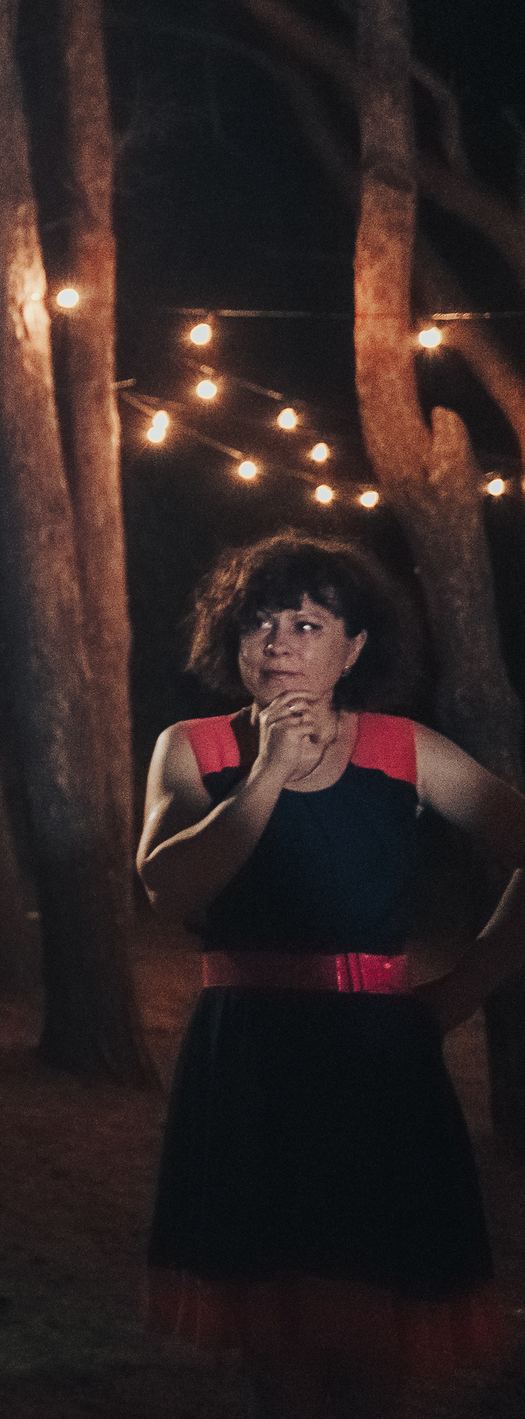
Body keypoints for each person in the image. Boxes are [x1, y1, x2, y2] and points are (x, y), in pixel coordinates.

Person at [138, 533, 525, 1418]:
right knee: (278, 1350)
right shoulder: (193, 748)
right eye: (258, 622)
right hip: (249, 1068)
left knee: (372, 1343)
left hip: (376, 1071)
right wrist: (267, 774)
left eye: (307, 623)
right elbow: (167, 887)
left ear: (353, 648)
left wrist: (460, 991)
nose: (278, 641)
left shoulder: (403, 748)